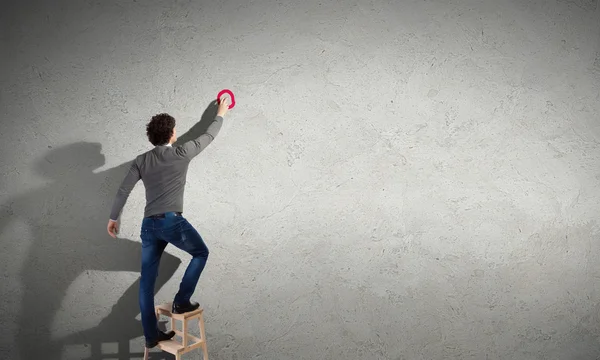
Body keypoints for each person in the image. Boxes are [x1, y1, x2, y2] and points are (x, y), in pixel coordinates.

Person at [106, 96, 231, 348]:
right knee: (201, 253)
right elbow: (209, 135)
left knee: (146, 282)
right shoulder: (182, 152)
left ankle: (151, 336)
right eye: (175, 130)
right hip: (171, 223)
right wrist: (221, 112)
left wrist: (113, 218)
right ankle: (182, 301)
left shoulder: (141, 160)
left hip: (149, 226)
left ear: (152, 138)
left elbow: (122, 191)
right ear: (173, 134)